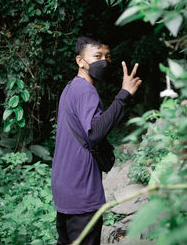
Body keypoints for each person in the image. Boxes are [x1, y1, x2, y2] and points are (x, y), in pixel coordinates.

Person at [51, 36, 142, 245]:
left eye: (108, 57)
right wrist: (124, 95)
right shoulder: (85, 90)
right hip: (81, 190)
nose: (105, 61)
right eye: (97, 56)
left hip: (65, 186)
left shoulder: (71, 88)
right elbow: (95, 133)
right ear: (80, 61)